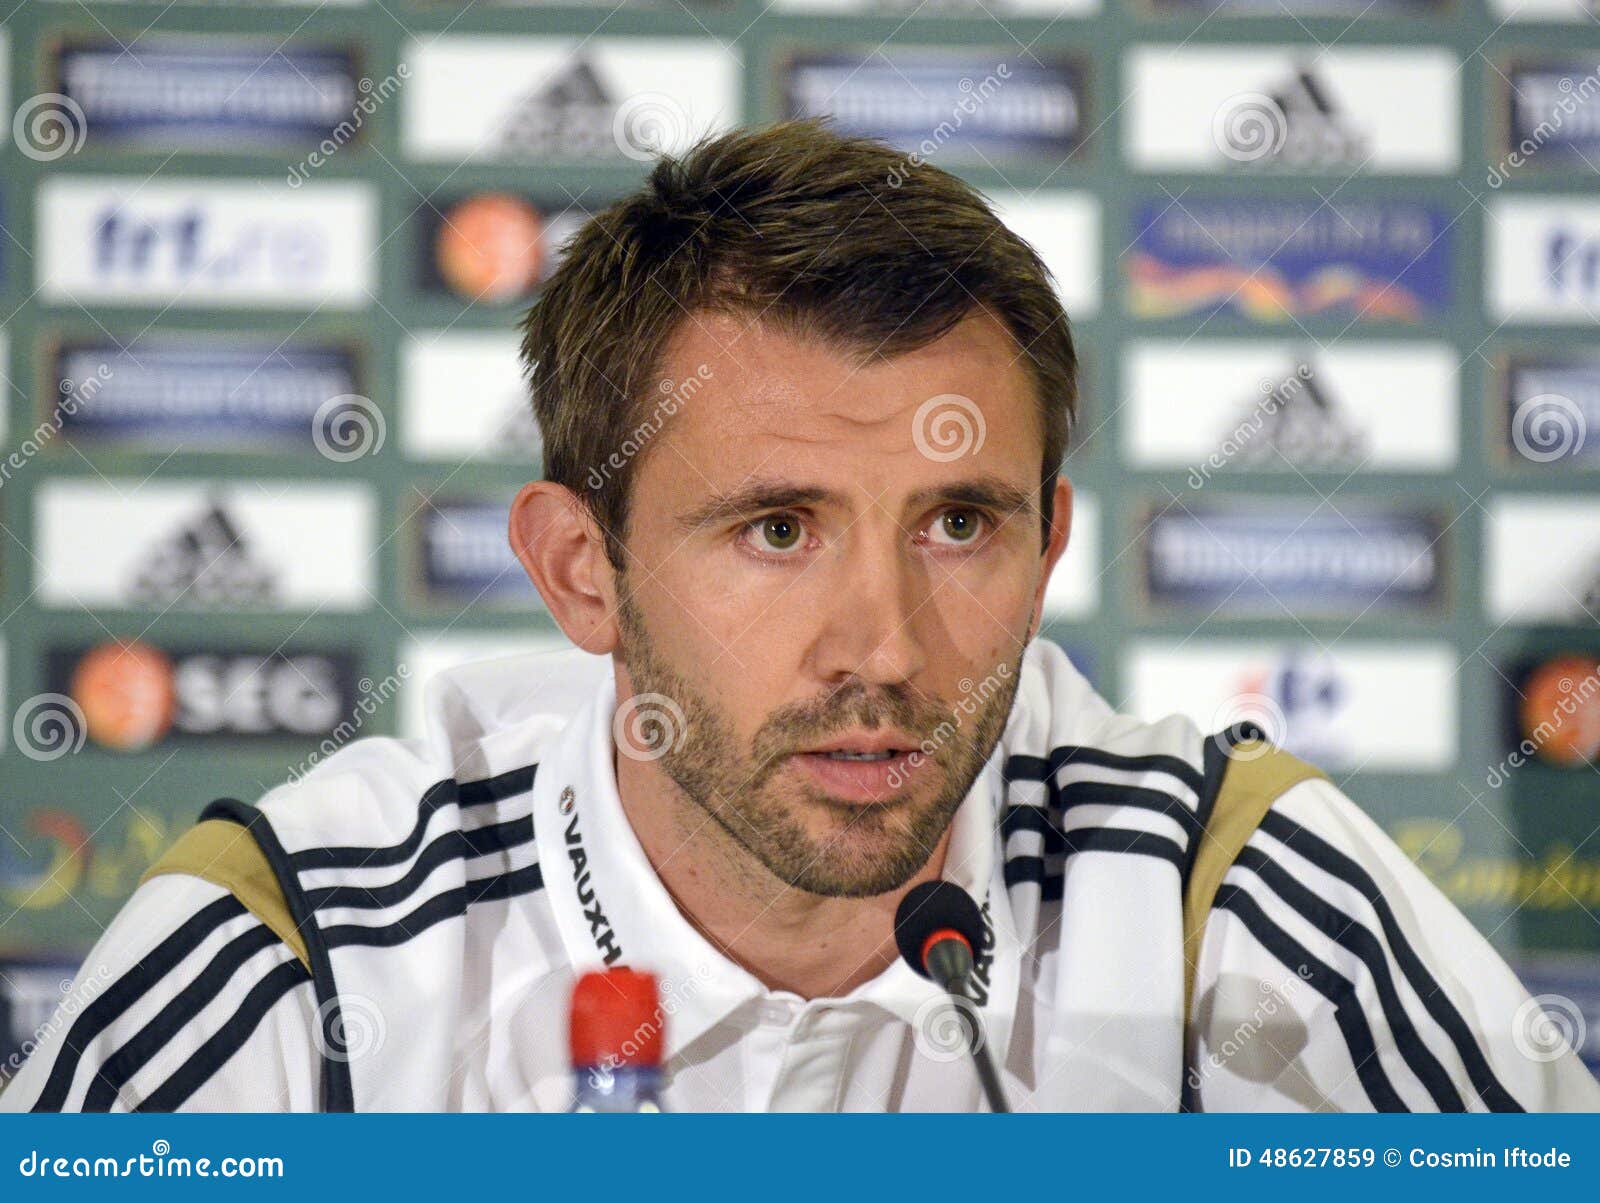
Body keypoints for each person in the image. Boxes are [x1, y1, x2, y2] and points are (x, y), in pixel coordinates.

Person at [5, 119, 1595, 1112]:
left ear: (1048, 545)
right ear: (582, 571)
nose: (887, 652)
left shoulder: (1237, 902)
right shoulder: (293, 966)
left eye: (959, 524)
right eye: (777, 530)